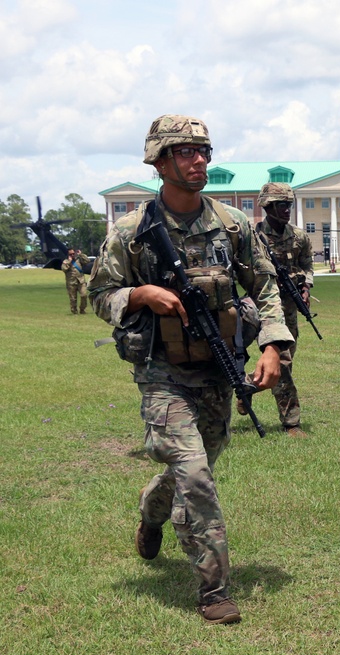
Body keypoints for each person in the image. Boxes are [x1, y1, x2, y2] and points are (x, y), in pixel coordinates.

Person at [88, 115, 294, 625]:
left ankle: (151, 509)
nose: (199, 160)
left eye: (203, 151)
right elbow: (99, 293)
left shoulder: (232, 225)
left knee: (196, 464)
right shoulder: (133, 231)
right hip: (161, 372)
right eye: (185, 152)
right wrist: (139, 293)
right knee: (196, 474)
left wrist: (273, 346)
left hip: (218, 369)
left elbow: (265, 287)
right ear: (159, 161)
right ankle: (214, 590)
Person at [254, 182, 314, 437]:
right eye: (281, 205)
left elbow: (308, 265)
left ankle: (249, 384)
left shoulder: (299, 236)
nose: (287, 210)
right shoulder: (253, 236)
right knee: (283, 363)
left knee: (284, 360)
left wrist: (306, 286)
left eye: (289, 205)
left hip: (288, 308)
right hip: (260, 308)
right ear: (268, 207)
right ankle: (291, 421)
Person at [61, 248, 90, 314]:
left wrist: (81, 255)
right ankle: (74, 311)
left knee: (84, 295)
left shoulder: (79, 260)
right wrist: (69, 262)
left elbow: (87, 261)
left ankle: (82, 309)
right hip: (71, 283)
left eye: (73, 254)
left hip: (81, 281)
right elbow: (64, 269)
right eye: (70, 254)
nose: (72, 255)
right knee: (73, 299)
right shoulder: (65, 261)